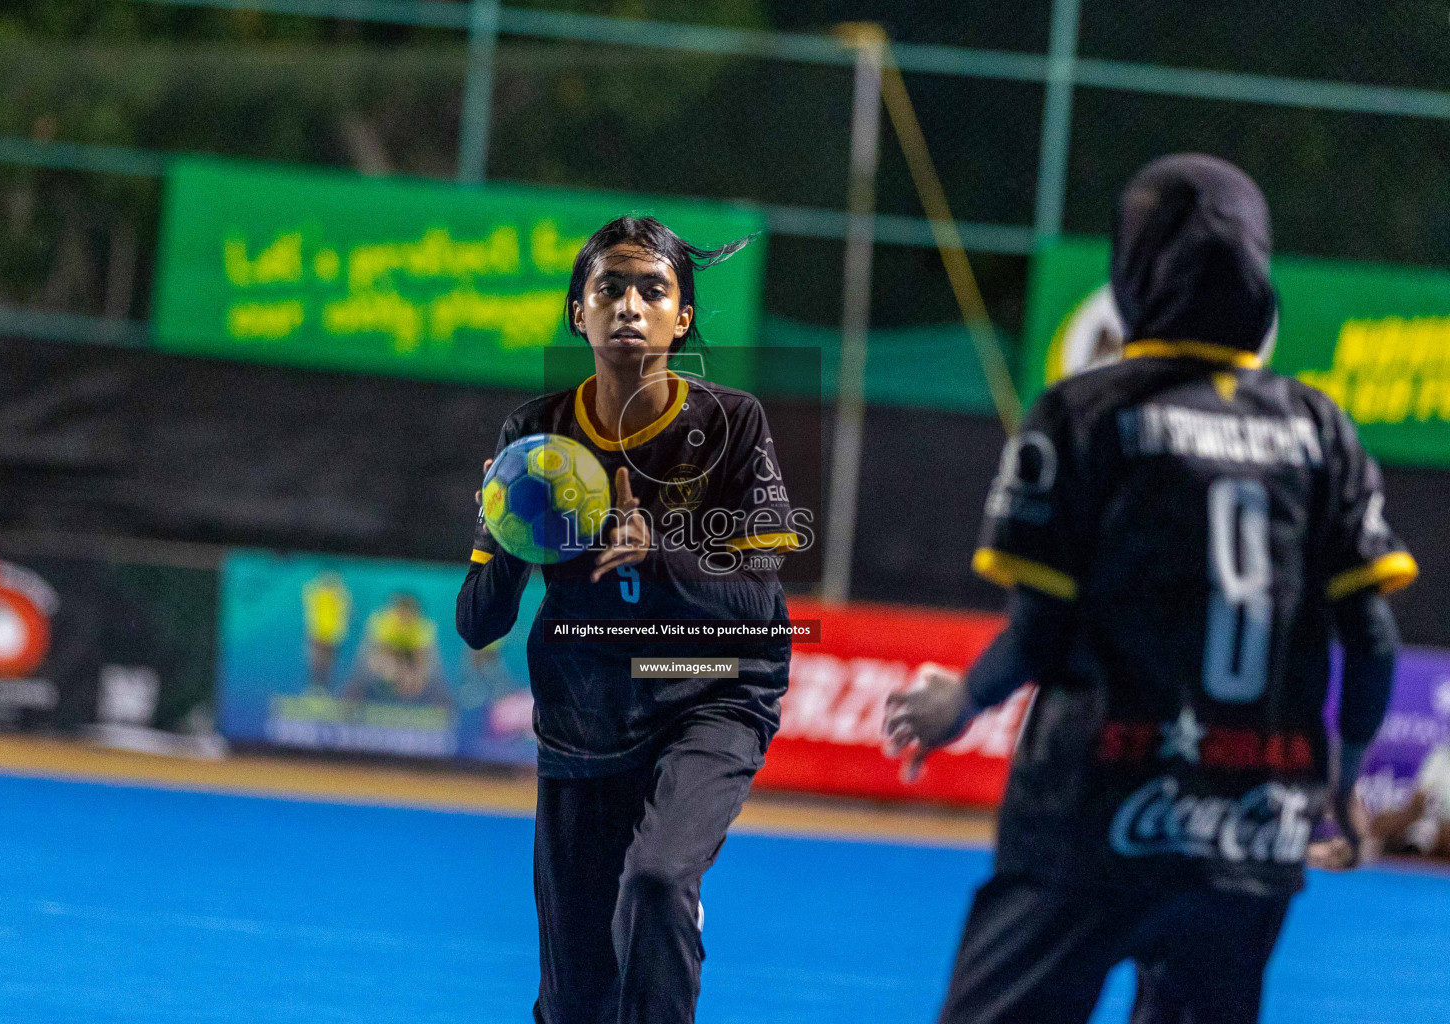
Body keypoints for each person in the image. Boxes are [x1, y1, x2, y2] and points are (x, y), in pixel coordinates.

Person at [883, 154, 1417, 1024]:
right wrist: (1345, 783)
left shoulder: (1083, 414)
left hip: (1093, 810)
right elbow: (1373, 639)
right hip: (1255, 826)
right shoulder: (1321, 428)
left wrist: (962, 703)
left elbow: (1039, 631)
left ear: (1131, 273)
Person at [456, 215, 801, 1024]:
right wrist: (506, 530)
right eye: (609, 286)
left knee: (657, 879)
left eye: (653, 288)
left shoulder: (732, 424)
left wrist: (661, 554)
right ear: (579, 311)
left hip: (709, 698)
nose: (629, 303)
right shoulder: (532, 437)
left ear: (682, 318)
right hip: (584, 719)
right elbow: (479, 623)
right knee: (577, 1002)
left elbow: (758, 606)